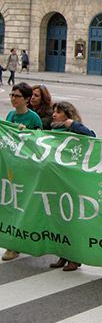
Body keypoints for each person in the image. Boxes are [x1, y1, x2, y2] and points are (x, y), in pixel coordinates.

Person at [47, 101, 95, 272]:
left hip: (73, 182)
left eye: (58, 112)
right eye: (54, 111)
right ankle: (63, 255)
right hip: (57, 182)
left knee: (73, 222)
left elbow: (92, 136)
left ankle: (75, 258)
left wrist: (73, 125)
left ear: (67, 115)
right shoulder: (53, 129)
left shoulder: (75, 129)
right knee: (60, 221)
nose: (54, 115)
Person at [2, 82, 43, 262]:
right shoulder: (10, 115)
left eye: (17, 96)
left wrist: (27, 134)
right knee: (11, 203)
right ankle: (12, 243)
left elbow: (40, 143)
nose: (13, 99)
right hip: (12, 167)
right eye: (12, 95)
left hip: (27, 168)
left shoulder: (33, 118)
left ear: (26, 99)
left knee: (24, 204)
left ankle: (19, 243)